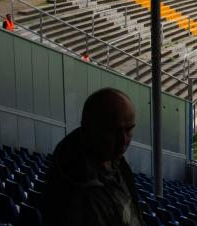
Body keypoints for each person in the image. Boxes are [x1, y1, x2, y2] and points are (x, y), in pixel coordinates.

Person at [44, 88, 142, 226]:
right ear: (89, 128)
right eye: (114, 131)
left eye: (129, 129)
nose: (123, 140)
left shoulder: (112, 158)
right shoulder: (78, 198)